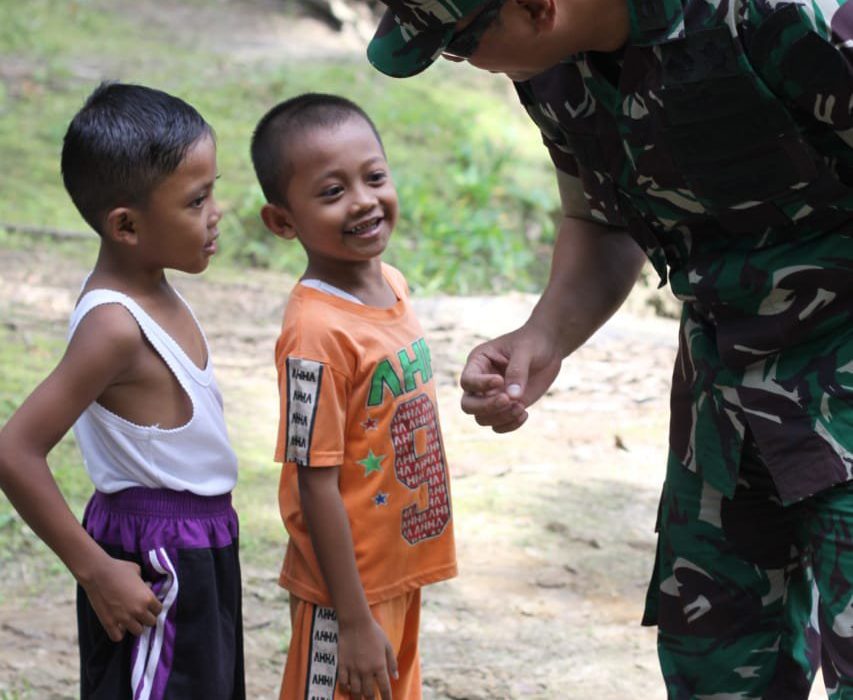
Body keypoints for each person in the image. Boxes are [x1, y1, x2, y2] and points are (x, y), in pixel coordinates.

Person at [365, 0, 853, 697]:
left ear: (538, 8)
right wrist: (542, 336)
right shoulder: (548, 65)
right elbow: (598, 219)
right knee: (717, 665)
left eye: (461, 42)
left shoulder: (783, 17)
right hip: (726, 392)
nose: (467, 61)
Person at [0, 82, 245, 700]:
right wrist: (96, 570)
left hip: (203, 544)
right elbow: (14, 451)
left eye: (212, 190)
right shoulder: (115, 325)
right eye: (196, 200)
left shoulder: (156, 290)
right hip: (155, 557)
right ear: (127, 226)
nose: (216, 212)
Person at [250, 93, 457, 700]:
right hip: (347, 594)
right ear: (283, 222)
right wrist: (353, 620)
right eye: (332, 191)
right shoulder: (315, 333)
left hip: (397, 571)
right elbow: (313, 480)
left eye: (374, 177)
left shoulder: (390, 283)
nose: (364, 201)